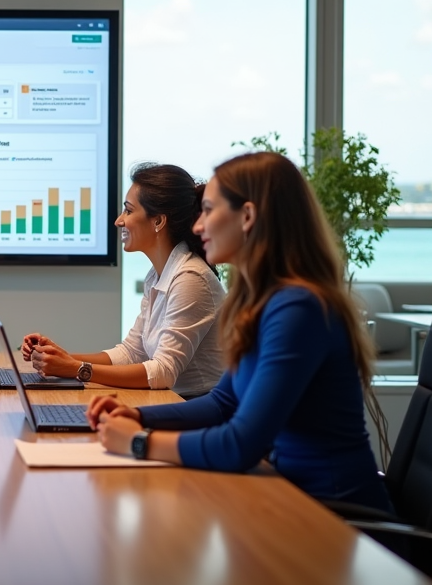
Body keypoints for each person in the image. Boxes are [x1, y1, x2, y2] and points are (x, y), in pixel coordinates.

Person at [90, 151, 393, 513]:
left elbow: (240, 444)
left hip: (335, 519)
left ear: (247, 216)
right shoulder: (264, 302)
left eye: (209, 211)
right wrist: (139, 416)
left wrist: (139, 442)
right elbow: (224, 403)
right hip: (288, 501)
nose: (198, 227)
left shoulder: (299, 309)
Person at [22, 163, 225, 398]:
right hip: (173, 400)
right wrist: (62, 357)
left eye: (128, 211)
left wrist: (77, 369)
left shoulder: (191, 278)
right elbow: (131, 352)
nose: (119, 221)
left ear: (158, 221)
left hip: (197, 407)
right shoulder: (159, 274)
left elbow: (162, 372)